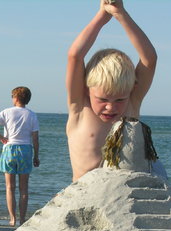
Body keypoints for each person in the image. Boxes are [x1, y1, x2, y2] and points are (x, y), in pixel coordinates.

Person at [66, 0, 157, 181]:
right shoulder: (79, 106)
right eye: (102, 99)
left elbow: (149, 59)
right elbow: (75, 55)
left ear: (131, 90)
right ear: (86, 89)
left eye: (119, 100)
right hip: (85, 193)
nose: (110, 107)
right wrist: (102, 16)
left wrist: (121, 14)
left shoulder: (132, 103)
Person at [0, 86, 40, 227]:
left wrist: (1, 138)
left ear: (15, 98)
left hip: (9, 149)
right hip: (25, 150)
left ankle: (12, 219)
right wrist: (36, 156)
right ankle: (22, 219)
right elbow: (35, 138)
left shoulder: (7, 112)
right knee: (24, 188)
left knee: (10, 187)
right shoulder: (32, 115)